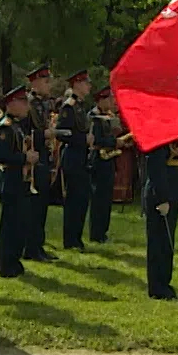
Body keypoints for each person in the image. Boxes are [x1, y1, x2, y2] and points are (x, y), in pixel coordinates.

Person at [0, 85, 35, 278]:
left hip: (19, 180)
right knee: (10, 226)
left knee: (19, 224)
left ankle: (14, 261)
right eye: (23, 102)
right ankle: (7, 265)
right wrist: (25, 158)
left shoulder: (16, 125)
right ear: (11, 104)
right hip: (9, 180)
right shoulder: (5, 127)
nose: (27, 106)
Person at [142, 137, 178, 300]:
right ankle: (157, 287)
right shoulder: (159, 137)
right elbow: (155, 170)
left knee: (167, 244)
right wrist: (162, 199)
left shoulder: (177, 138)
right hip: (160, 196)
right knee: (158, 242)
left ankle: (165, 284)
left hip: (173, 194)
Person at [23, 64, 58, 262]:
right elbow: (23, 132)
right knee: (33, 206)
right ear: (35, 82)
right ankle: (30, 247)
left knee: (42, 205)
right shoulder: (27, 104)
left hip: (43, 156)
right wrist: (42, 134)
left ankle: (38, 245)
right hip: (33, 157)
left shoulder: (43, 104)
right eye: (45, 81)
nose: (49, 85)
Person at [57, 69, 94, 249]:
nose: (89, 86)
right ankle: (70, 239)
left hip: (82, 156)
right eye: (86, 82)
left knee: (82, 199)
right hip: (72, 156)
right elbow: (62, 134)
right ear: (77, 84)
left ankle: (77, 237)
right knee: (73, 200)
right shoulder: (68, 107)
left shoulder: (80, 106)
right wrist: (83, 140)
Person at [88, 85, 129, 242]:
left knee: (106, 199)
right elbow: (96, 140)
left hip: (109, 159)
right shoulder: (94, 116)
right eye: (110, 99)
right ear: (101, 100)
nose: (113, 102)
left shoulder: (108, 116)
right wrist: (114, 142)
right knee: (99, 199)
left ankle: (103, 231)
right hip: (98, 160)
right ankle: (96, 233)